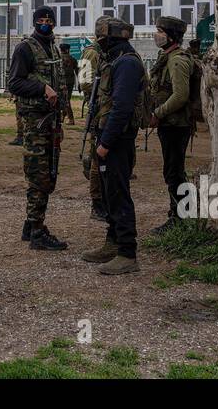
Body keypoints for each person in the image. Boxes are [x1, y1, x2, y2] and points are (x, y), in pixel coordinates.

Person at [80, 16, 145, 275]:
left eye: (103, 39)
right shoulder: (116, 60)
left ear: (113, 39)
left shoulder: (127, 63)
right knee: (109, 193)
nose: (99, 43)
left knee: (118, 194)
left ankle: (127, 253)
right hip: (109, 135)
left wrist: (105, 143)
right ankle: (113, 242)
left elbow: (121, 108)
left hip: (117, 139)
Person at [6, 5, 67, 251]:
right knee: (39, 176)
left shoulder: (52, 46)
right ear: (34, 22)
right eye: (41, 19)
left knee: (49, 174)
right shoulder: (25, 48)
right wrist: (42, 88)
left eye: (49, 19)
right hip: (35, 123)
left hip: (51, 121)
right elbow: (15, 83)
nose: (45, 23)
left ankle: (30, 225)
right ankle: (37, 232)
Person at [148, 16, 196, 233]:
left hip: (176, 125)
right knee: (173, 170)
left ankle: (180, 218)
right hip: (170, 124)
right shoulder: (166, 57)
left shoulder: (177, 61)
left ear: (170, 36)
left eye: (160, 31)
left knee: (174, 172)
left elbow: (180, 96)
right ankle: (180, 213)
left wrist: (157, 113)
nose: (156, 34)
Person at [78, 40, 107, 222]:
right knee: (97, 157)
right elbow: (85, 82)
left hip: (103, 107)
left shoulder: (102, 52)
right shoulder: (92, 53)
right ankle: (97, 204)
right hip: (98, 108)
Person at [60, 45, 78, 124]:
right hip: (70, 82)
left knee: (64, 100)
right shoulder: (73, 59)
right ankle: (63, 116)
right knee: (67, 99)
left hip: (62, 82)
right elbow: (77, 71)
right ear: (68, 49)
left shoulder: (59, 59)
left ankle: (70, 118)